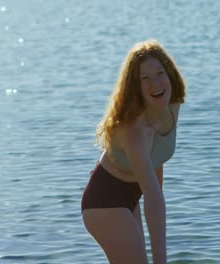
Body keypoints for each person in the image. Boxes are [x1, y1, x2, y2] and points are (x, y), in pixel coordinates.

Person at [81, 39, 185, 264]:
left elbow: (157, 161)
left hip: (131, 197)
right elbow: (154, 197)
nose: (155, 83)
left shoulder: (172, 106)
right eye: (144, 79)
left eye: (160, 73)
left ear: (170, 74)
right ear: (135, 87)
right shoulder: (136, 131)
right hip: (103, 201)